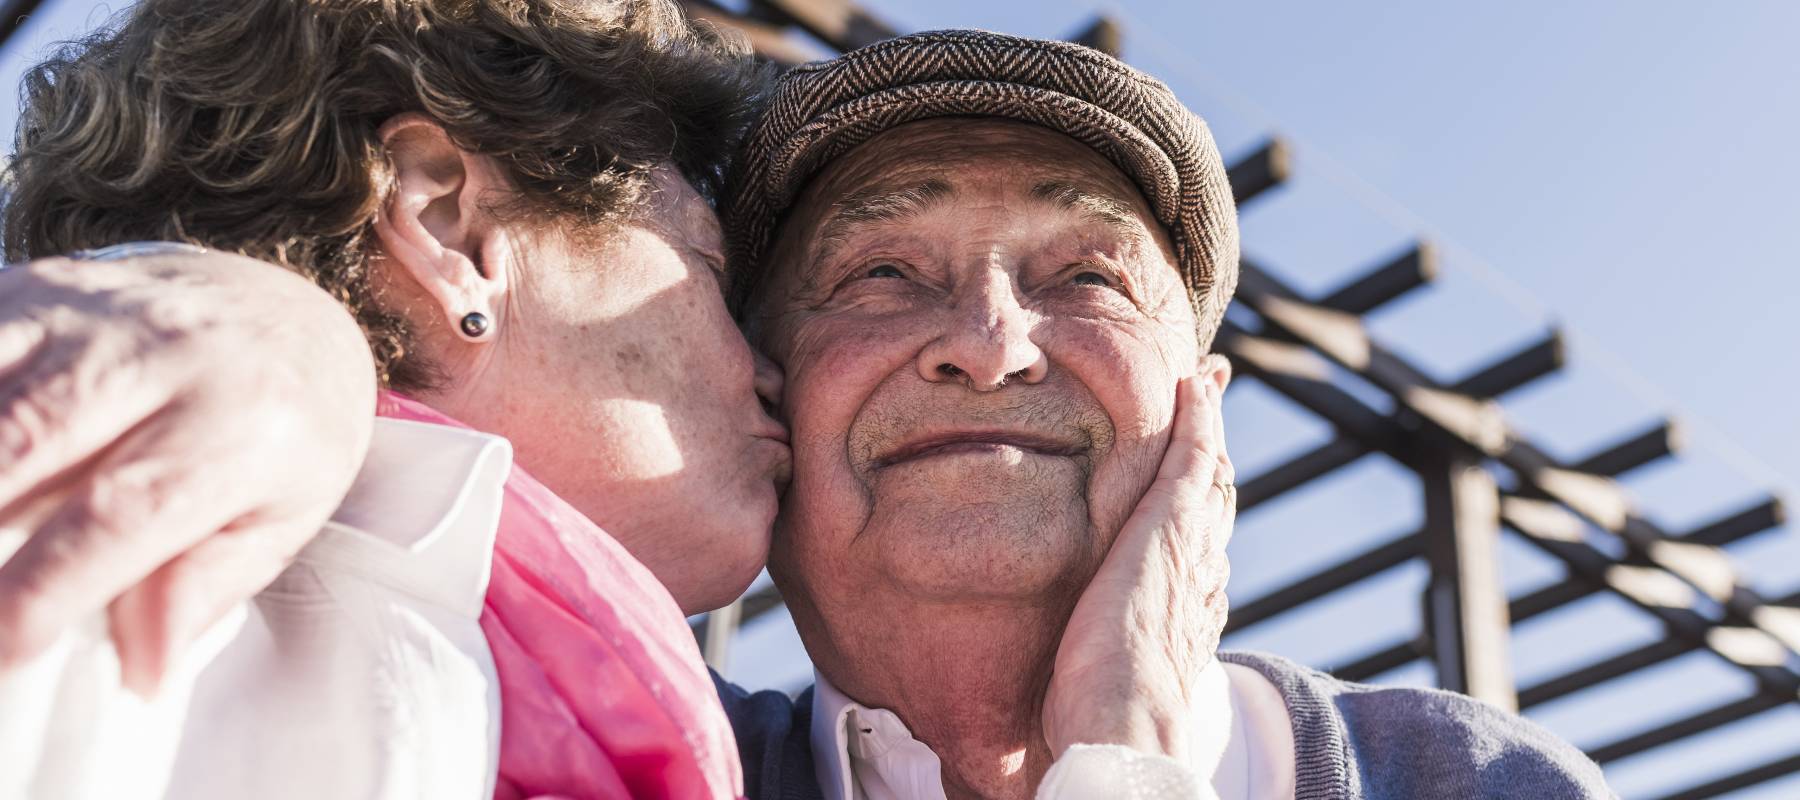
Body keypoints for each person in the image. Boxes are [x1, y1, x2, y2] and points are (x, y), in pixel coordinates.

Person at [0, 4, 1229, 799]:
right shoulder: (159, 579)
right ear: (446, 226)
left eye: (1086, 277)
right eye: (704, 267)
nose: (760, 367)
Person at [708, 30, 1617, 800]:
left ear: (1204, 414)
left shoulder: (1477, 780)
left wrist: (1125, 742)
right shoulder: (630, 763)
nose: (990, 345)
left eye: (1089, 278)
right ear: (760, 388)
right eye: (881, 273)